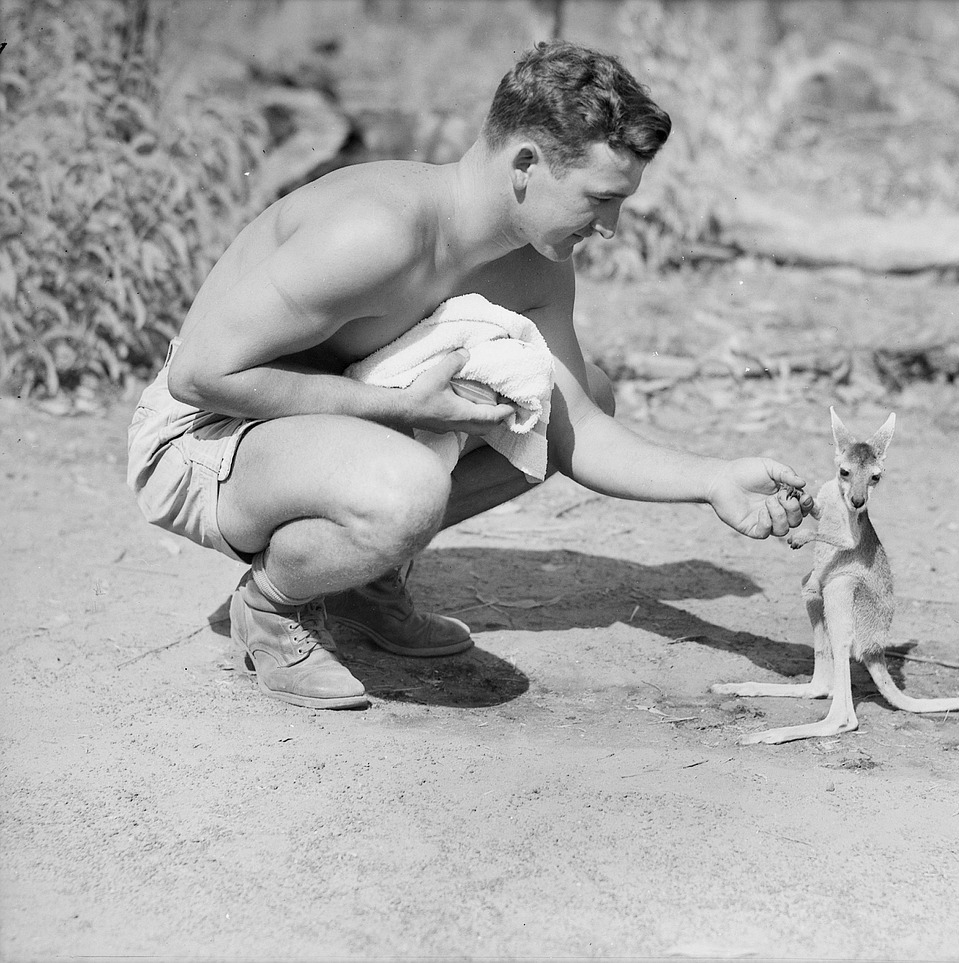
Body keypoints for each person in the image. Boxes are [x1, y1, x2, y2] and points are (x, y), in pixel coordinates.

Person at [127, 40, 812, 710]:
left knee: (573, 397)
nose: (611, 225)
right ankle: (271, 607)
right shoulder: (376, 230)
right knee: (410, 489)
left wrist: (713, 479)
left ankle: (364, 579)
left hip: (317, 433)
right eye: (601, 198)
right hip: (203, 438)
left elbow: (581, 432)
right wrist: (392, 407)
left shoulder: (539, 266)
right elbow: (200, 375)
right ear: (525, 164)